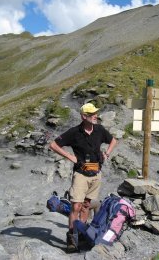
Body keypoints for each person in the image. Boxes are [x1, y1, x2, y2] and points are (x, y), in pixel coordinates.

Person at [49, 102, 117, 252]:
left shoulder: (99, 129)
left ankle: (81, 235)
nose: (95, 116)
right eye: (92, 114)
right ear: (83, 116)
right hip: (81, 175)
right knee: (76, 206)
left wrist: (107, 153)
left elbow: (113, 140)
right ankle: (72, 239)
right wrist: (70, 156)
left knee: (86, 205)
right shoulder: (74, 132)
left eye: (96, 113)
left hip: (96, 174)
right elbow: (53, 145)